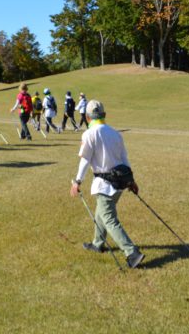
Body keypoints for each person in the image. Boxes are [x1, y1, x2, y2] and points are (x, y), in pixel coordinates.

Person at [69, 99, 144, 269]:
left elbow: (85, 160)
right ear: (104, 115)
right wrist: (131, 181)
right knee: (101, 213)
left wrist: (77, 181)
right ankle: (97, 243)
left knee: (109, 218)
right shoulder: (115, 133)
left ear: (87, 117)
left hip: (104, 185)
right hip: (119, 184)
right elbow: (124, 159)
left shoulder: (89, 134)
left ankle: (132, 253)